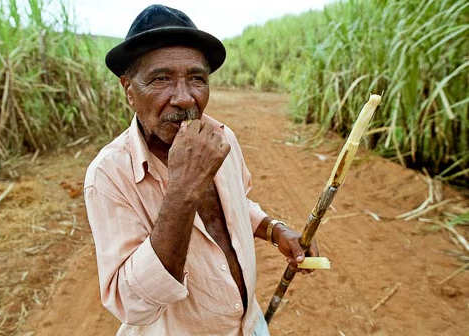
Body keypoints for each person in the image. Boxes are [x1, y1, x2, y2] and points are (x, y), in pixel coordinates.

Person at [84, 5, 318, 336]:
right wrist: (182, 189)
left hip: (249, 325)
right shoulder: (109, 176)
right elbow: (131, 303)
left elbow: (239, 204)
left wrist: (276, 230)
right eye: (161, 78)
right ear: (129, 91)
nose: (184, 98)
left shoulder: (222, 138)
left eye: (196, 78)